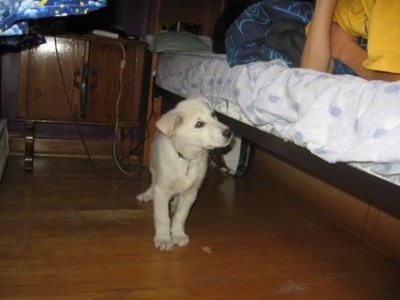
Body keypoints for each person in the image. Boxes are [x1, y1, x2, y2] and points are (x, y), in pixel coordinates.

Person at [301, 0, 400, 82]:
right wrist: (324, 4)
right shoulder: (341, 6)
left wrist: (345, 49)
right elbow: (309, 78)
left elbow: (394, 82)